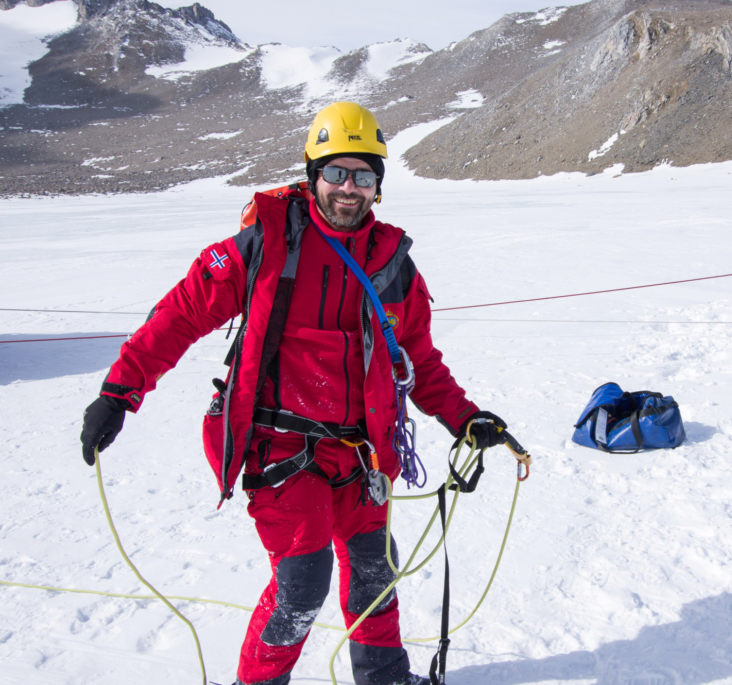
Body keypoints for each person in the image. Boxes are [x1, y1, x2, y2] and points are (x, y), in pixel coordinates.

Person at [79, 101, 509, 685]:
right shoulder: (264, 243)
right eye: (335, 172)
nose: (348, 189)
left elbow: (420, 361)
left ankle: (384, 679)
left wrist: (465, 418)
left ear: (378, 186)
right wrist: (120, 391)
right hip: (278, 447)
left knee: (374, 574)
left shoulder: (394, 266)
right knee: (301, 582)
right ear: (313, 174)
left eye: (363, 175)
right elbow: (181, 313)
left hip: (361, 455)